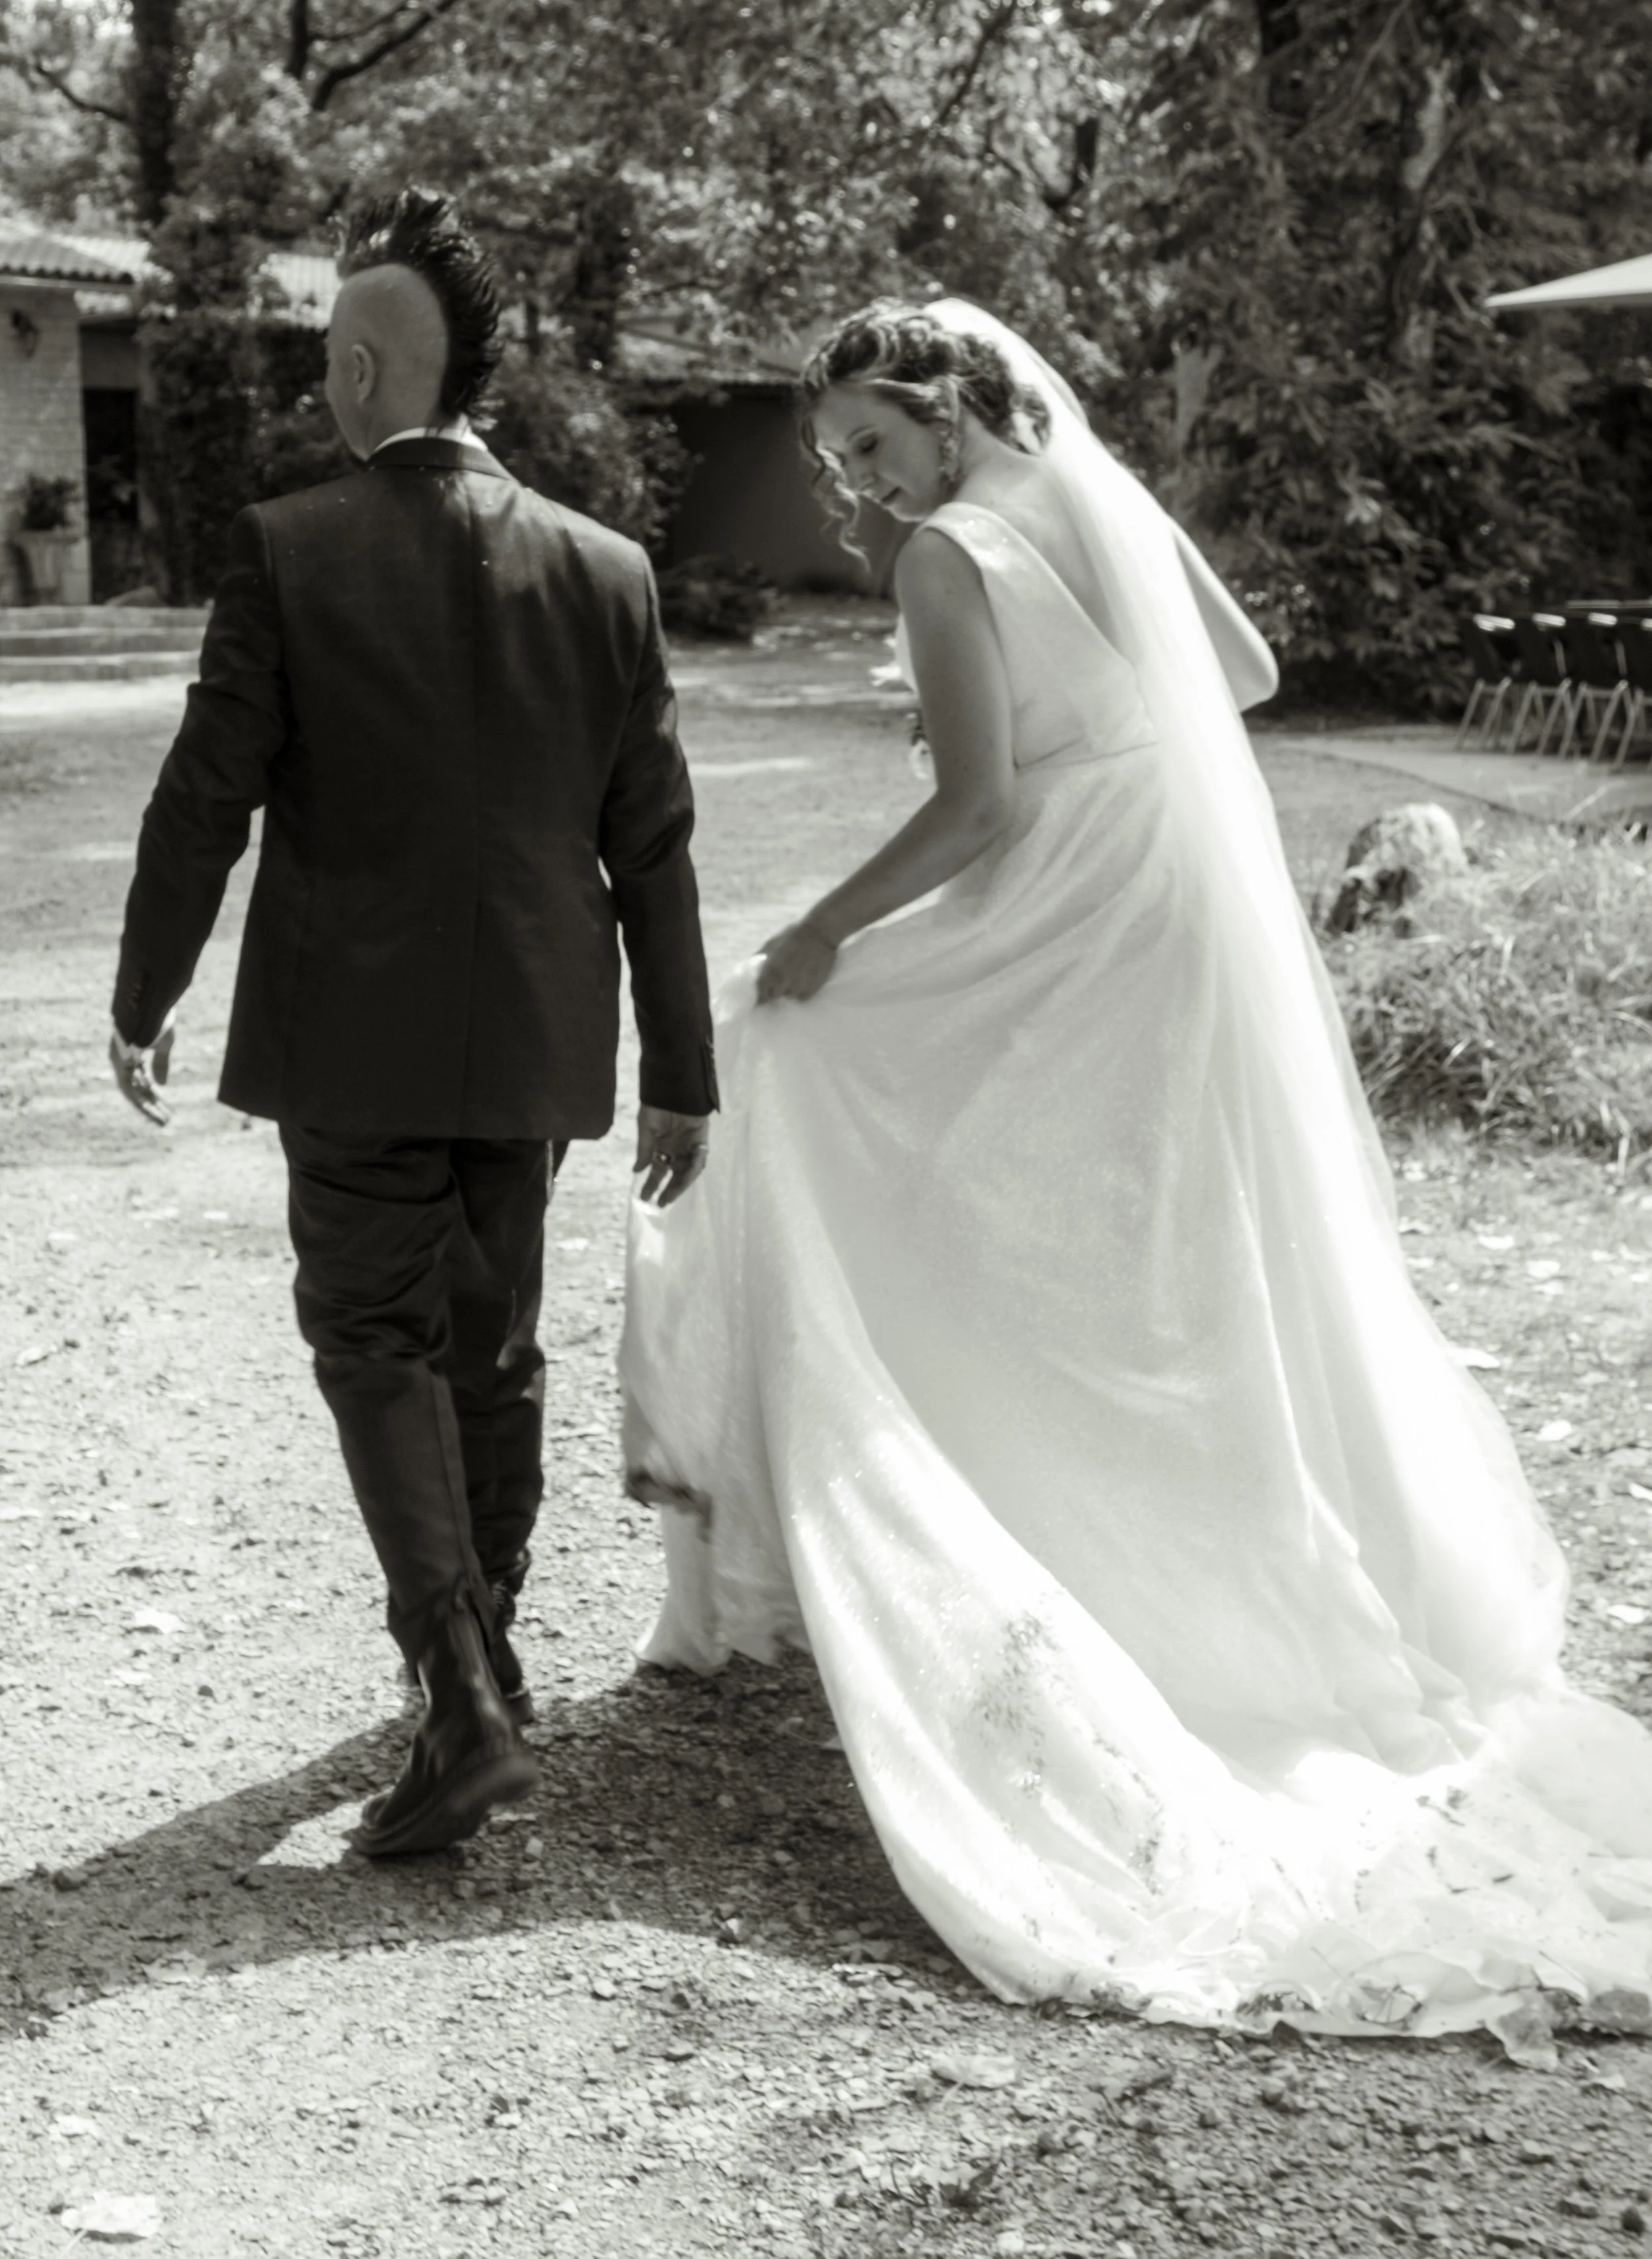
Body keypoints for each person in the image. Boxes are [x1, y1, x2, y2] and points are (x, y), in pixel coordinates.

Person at [620, 299, 1652, 2042]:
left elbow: (977, 817)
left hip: (1071, 906)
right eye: (838, 464)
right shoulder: (1102, 496)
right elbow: (1236, 675)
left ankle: (991, 1507)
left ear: (942, 411)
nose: (861, 486)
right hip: (1181, 890)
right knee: (1173, 1228)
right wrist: (1080, 711)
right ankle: (1180, 1538)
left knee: (799, 1047)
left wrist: (812, 924)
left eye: (873, 444)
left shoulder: (948, 554)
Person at [110, 187, 717, 1857]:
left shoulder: (288, 550)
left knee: (371, 1338)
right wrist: (680, 1073)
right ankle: (489, 1656)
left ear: (372, 373)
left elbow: (203, 795)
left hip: (353, 1038)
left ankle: (455, 1693)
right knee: (489, 1344)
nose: (321, 386)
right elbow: (651, 846)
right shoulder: (608, 571)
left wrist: (143, 991)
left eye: (328, 359)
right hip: (528, 1040)